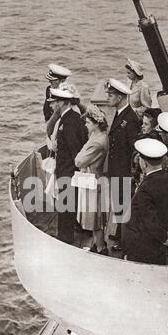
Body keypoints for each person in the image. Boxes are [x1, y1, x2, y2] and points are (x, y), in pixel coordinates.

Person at [123, 138, 168, 265]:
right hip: (163, 246)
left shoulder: (146, 188)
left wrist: (163, 237)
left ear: (144, 163)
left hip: (144, 248)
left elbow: (149, 219)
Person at [47, 87, 87, 244]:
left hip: (68, 173)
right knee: (65, 206)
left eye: (54, 102)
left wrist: (71, 173)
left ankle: (65, 238)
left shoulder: (69, 121)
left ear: (62, 103)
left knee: (66, 207)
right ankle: (64, 236)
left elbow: (75, 150)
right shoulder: (70, 118)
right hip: (66, 171)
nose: (52, 106)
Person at [106, 78, 141, 251]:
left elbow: (134, 149)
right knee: (119, 203)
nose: (108, 98)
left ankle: (125, 241)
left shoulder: (130, 119)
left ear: (120, 97)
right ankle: (120, 233)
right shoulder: (121, 115)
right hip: (117, 169)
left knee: (124, 204)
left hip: (124, 171)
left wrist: (131, 174)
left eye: (111, 95)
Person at [75, 104, 109, 255]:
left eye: (88, 122)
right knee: (95, 217)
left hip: (94, 182)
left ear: (96, 124)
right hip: (94, 180)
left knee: (96, 219)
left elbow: (79, 161)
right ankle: (97, 245)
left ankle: (101, 249)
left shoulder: (97, 142)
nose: (85, 125)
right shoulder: (98, 136)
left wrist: (81, 154)